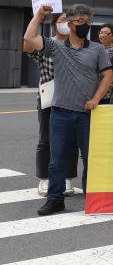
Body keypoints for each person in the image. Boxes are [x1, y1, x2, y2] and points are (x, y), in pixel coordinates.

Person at [24, 4, 112, 216]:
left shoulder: (97, 49)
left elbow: (107, 75)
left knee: (90, 158)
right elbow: (29, 39)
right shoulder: (56, 46)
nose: (85, 25)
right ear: (70, 24)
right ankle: (55, 199)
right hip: (60, 112)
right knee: (57, 159)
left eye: (88, 22)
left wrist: (96, 98)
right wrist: (39, 15)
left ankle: (93, 198)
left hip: (88, 114)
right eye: (81, 21)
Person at [23, 12, 79, 197]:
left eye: (68, 20)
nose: (66, 24)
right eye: (62, 20)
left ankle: (67, 178)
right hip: (49, 98)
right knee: (46, 139)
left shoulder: (77, 45)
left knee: (71, 140)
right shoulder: (46, 43)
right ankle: (44, 179)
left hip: (72, 98)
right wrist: (38, 16)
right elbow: (27, 45)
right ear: (55, 24)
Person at [97, 23, 113, 105]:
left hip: (110, 92)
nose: (102, 35)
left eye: (106, 33)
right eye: (101, 33)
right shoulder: (94, 49)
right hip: (94, 91)